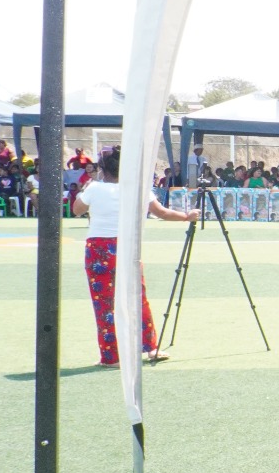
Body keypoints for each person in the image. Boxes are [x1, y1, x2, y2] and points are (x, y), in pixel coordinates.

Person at [72, 151, 200, 365]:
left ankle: (110, 356)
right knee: (137, 298)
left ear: (103, 170)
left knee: (104, 304)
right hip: (127, 245)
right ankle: (150, 347)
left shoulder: (94, 188)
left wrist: (82, 192)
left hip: (98, 247)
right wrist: (187, 216)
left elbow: (77, 209)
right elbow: (162, 213)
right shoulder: (138, 189)